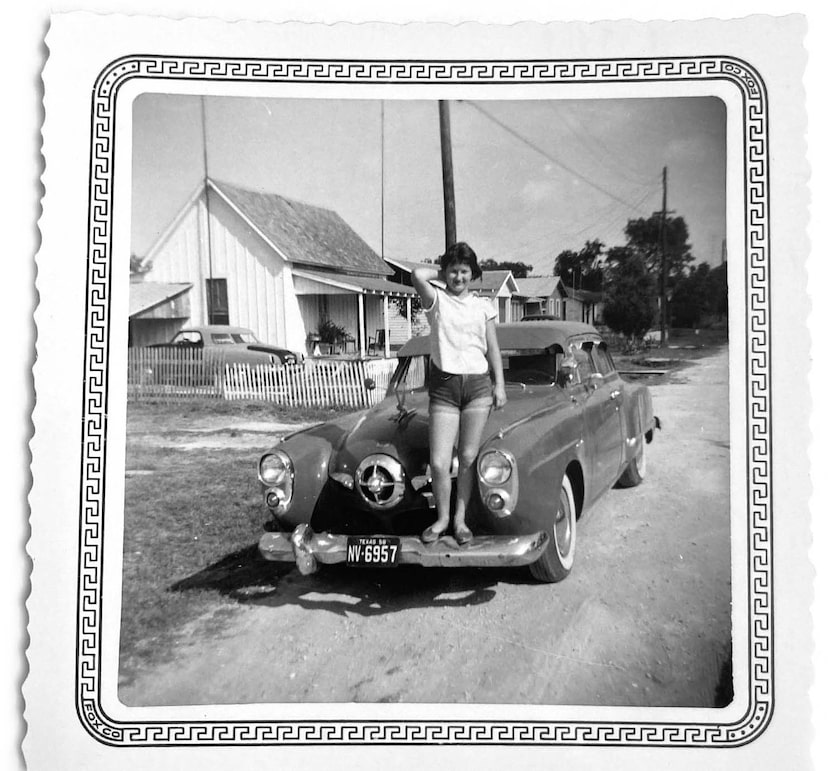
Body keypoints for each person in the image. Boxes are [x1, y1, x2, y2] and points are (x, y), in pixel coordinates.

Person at [411, 242, 507, 545]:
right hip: (444, 388)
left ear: (473, 273)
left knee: (467, 457)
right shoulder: (436, 300)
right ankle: (441, 519)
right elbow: (416, 274)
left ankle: (460, 520)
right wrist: (441, 269)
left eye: (464, 271)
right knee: (439, 462)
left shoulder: (483, 306)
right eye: (453, 270)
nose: (458, 277)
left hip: (477, 387)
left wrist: (499, 384)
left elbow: (493, 348)